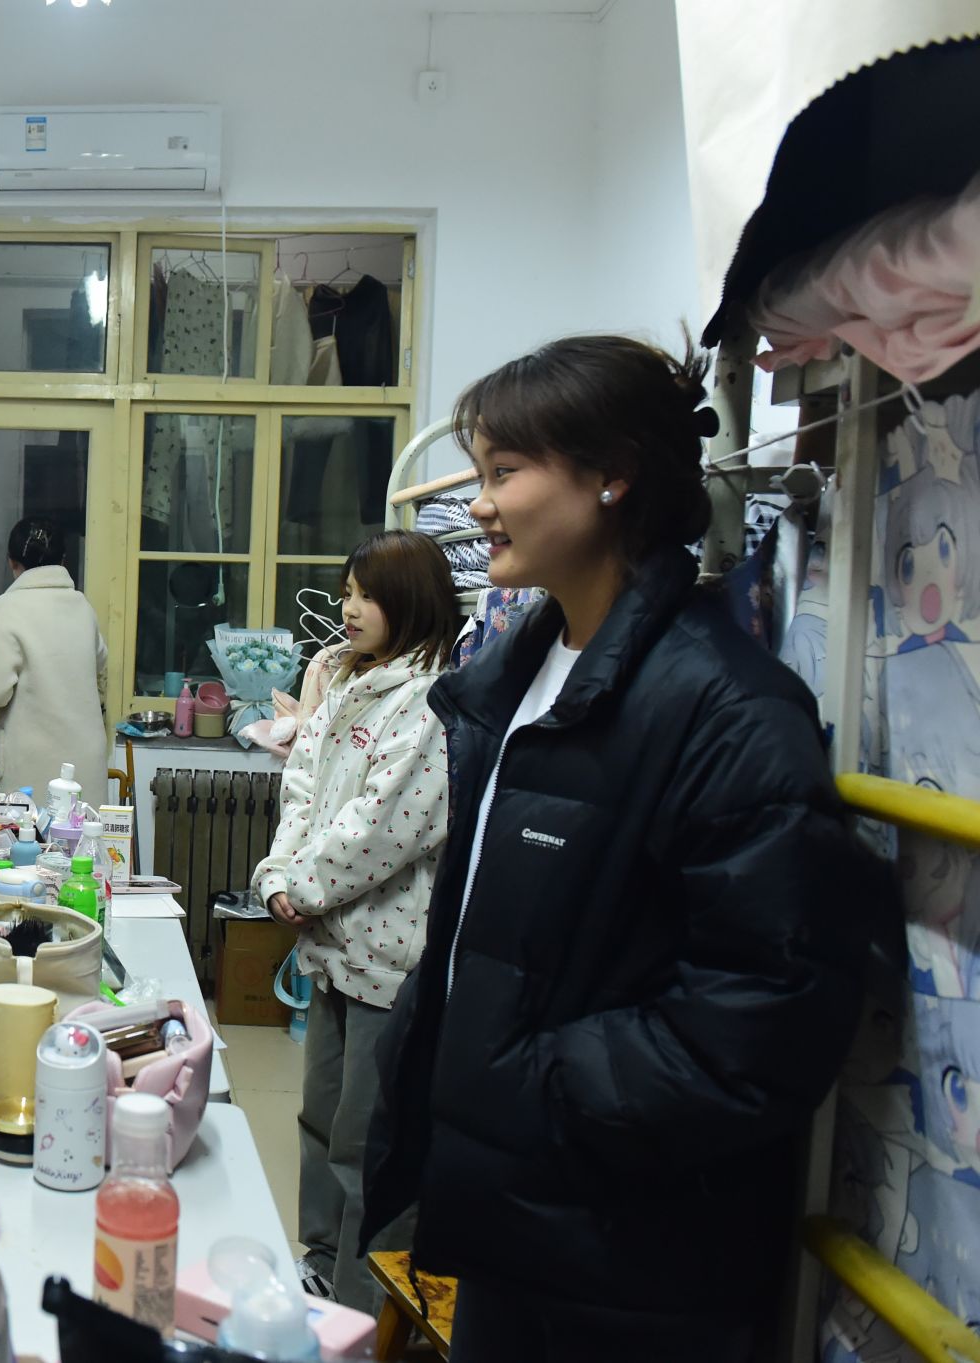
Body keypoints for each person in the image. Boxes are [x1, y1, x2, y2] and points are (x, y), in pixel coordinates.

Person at [361, 335, 886, 1362]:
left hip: (626, 1263)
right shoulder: (518, 675)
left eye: (504, 472)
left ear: (612, 475)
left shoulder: (728, 712)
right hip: (517, 1219)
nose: (478, 506)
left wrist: (525, 1084)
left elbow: (760, 1020)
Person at [248, 529, 455, 1315]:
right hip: (331, 942)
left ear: (410, 600)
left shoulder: (431, 700)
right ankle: (322, 1260)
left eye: (367, 595)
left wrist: (301, 887)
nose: (349, 608)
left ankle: (362, 1307)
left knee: (368, 1142)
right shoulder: (345, 678)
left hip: (388, 955)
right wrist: (278, 876)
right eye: (346, 593)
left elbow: (385, 826)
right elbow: (303, 786)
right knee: (319, 1117)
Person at [0, 518, 110, 800]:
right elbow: (98, 661)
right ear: (63, 560)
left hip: (32, 763)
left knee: (31, 828)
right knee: (82, 827)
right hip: (85, 760)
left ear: (11, 562)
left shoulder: (7, 609)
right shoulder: (82, 607)